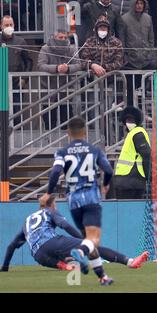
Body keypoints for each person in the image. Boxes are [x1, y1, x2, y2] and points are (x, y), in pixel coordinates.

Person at [39, 117, 114, 286]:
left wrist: (48, 193)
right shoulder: (94, 150)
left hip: (73, 201)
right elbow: (108, 170)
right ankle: (79, 252)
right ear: (85, 132)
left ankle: (102, 277)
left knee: (88, 240)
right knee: (93, 240)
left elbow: (56, 171)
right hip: (90, 197)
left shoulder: (62, 152)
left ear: (68, 134)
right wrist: (106, 185)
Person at [1, 196, 149, 272]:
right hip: (53, 243)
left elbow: (11, 246)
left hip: (39, 256)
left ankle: (63, 265)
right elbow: (64, 225)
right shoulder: (50, 211)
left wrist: (5, 267)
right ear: (52, 205)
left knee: (66, 254)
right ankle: (129, 262)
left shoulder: (27, 221)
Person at [37, 30, 83, 130]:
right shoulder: (45, 48)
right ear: (54, 37)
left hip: (65, 91)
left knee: (67, 121)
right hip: (48, 91)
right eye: (60, 37)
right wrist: (57, 68)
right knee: (49, 122)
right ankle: (49, 144)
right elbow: (41, 66)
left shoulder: (71, 49)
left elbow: (79, 65)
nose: (63, 39)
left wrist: (68, 69)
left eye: (65, 38)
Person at [114, 106, 151, 199]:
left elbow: (146, 155)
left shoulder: (137, 133)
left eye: (131, 120)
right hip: (128, 181)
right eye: (127, 120)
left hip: (131, 181)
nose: (129, 122)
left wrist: (149, 177)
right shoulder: (132, 134)